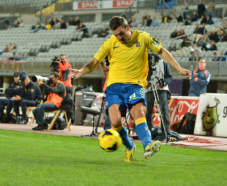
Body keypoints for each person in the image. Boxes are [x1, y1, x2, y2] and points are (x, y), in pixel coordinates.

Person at [72, 16, 190, 162]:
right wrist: (81, 72)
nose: (119, 37)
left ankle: (148, 146)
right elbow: (94, 62)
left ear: (128, 28)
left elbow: (162, 51)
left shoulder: (143, 37)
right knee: (115, 123)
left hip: (135, 85)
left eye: (121, 33)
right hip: (114, 86)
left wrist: (179, 68)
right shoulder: (110, 43)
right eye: (116, 35)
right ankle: (129, 146)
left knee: (139, 113)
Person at [146, 53, 172, 141]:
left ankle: (166, 134)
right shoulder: (146, 62)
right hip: (149, 89)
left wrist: (164, 82)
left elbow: (169, 77)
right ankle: (147, 134)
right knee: (148, 112)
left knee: (164, 112)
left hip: (162, 89)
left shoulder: (164, 62)